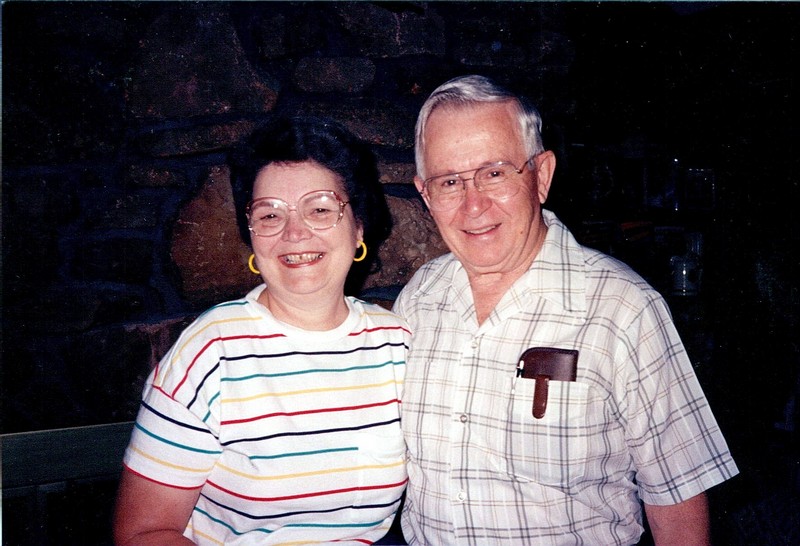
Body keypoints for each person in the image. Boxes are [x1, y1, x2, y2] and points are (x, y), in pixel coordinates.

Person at [393, 75, 739, 545]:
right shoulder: (418, 300)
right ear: (425, 194)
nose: (473, 205)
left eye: (495, 173)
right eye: (449, 181)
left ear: (541, 175)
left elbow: (678, 505)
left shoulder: (623, 309)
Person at [114, 116, 410, 545]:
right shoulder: (210, 351)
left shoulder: (397, 344)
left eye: (320, 209)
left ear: (359, 226)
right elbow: (143, 533)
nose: (294, 232)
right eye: (270, 215)